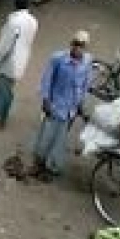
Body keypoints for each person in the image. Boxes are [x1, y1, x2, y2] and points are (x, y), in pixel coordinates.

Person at [30, 31, 93, 181]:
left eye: (81, 45)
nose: (78, 48)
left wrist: (81, 105)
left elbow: (85, 84)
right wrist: (46, 100)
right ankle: (39, 162)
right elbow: (47, 80)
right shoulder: (58, 59)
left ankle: (52, 166)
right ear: (71, 44)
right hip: (55, 105)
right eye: (76, 44)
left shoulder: (87, 62)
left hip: (71, 109)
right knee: (47, 135)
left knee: (60, 139)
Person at [0, 0, 38, 130]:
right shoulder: (33, 21)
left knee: (3, 91)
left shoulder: (14, 21)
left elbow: (5, 45)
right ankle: (3, 118)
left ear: (15, 5)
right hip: (22, 60)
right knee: (8, 90)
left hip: (10, 61)